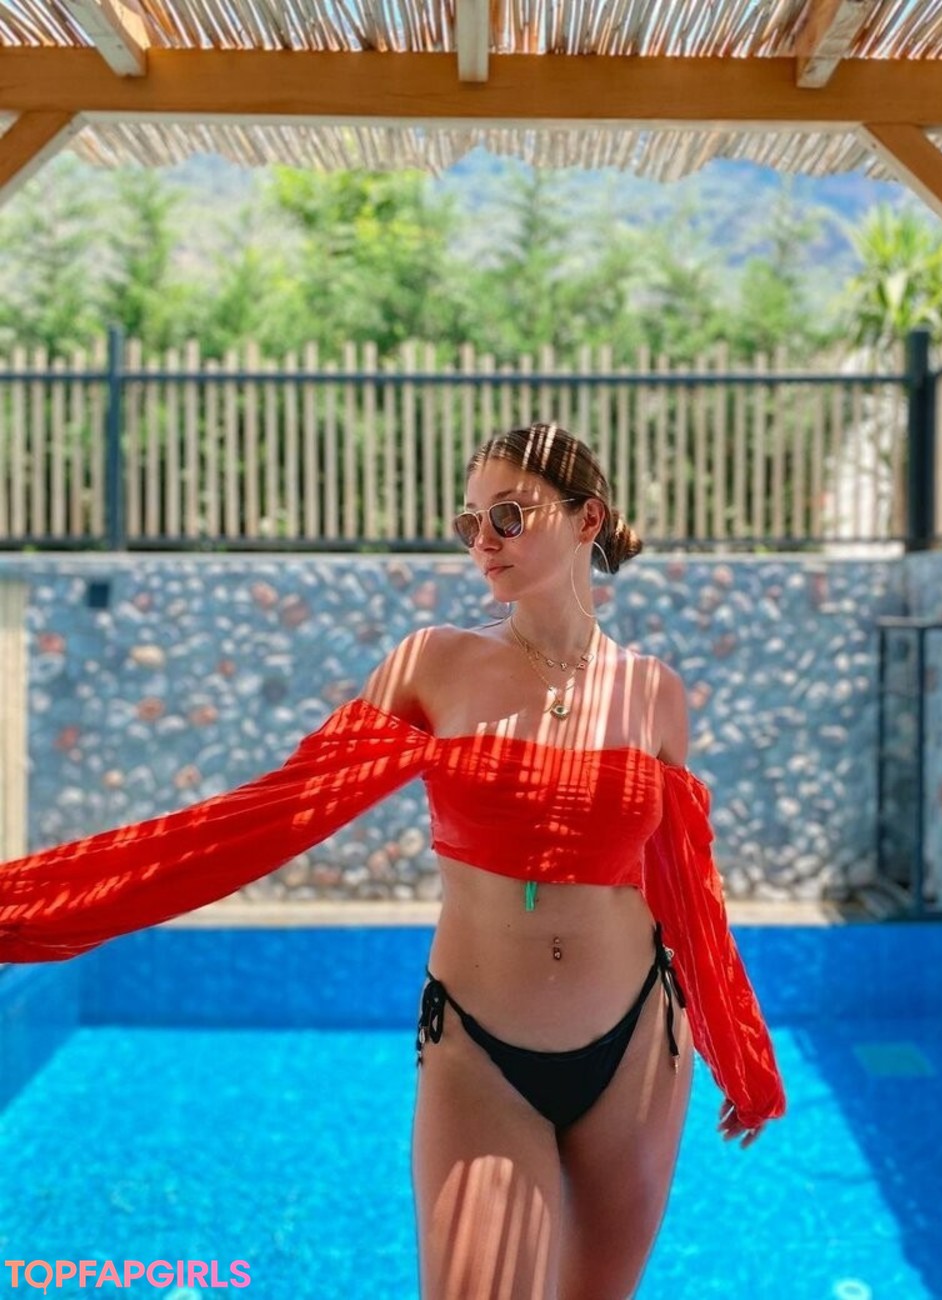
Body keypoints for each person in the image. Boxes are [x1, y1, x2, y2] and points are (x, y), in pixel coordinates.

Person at [0, 422, 784, 1300]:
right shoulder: (434, 664)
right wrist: (27, 906)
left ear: (586, 518)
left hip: (638, 1042)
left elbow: (686, 886)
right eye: (470, 523)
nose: (484, 541)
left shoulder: (652, 693)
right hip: (482, 1053)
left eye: (509, 515)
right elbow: (269, 818)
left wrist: (740, 1054)